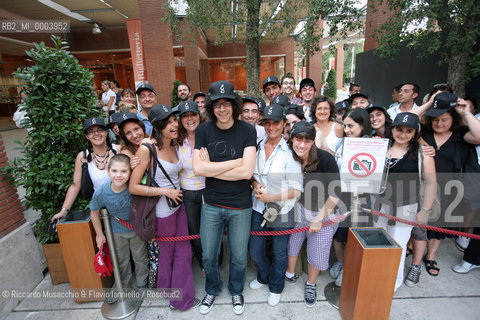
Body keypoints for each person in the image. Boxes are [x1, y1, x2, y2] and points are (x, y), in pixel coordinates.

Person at [193, 81, 256, 315]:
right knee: (209, 255)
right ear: (211, 107)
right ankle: (212, 288)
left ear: (234, 105)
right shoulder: (203, 130)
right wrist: (235, 162)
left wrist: (212, 166)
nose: (222, 108)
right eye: (217, 104)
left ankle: (236, 289)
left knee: (239, 257)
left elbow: (246, 173)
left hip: (240, 205)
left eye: (226, 103)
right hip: (211, 204)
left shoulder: (247, 130)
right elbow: (198, 170)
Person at [406, 92, 480, 286]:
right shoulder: (425, 134)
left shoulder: (461, 135)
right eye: (436, 120)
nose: (439, 124)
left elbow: (479, 135)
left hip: (450, 187)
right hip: (422, 185)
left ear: (452, 119)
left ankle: (430, 256)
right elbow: (410, 119)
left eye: (444, 120)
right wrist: (430, 103)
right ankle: (413, 249)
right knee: (418, 222)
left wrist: (466, 113)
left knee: (439, 225)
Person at [129, 104, 197, 311]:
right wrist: (164, 192)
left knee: (183, 253)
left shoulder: (175, 145)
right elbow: (133, 187)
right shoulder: (146, 149)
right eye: (168, 123)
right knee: (168, 254)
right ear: (158, 127)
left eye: (174, 120)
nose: (174, 124)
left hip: (179, 206)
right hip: (161, 212)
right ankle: (178, 298)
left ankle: (170, 291)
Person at [373, 112, 437, 291]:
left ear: (415, 132)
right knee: (377, 242)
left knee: (398, 245)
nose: (402, 134)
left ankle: (391, 284)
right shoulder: (381, 147)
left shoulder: (423, 153)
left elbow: (432, 183)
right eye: (399, 129)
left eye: (409, 131)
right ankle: (376, 275)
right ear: (392, 128)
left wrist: (425, 210)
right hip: (380, 204)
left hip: (406, 206)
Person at [248, 104, 303, 307]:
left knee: (280, 252)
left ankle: (276, 286)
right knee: (255, 250)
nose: (271, 127)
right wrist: (254, 184)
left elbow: (297, 190)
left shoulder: (290, 152)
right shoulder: (257, 146)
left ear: (284, 124)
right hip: (257, 208)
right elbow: (251, 175)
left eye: (276, 123)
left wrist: (272, 196)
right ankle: (264, 275)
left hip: (283, 210)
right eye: (267, 123)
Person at [285, 121, 340, 308]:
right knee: (293, 242)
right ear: (291, 139)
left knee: (317, 250)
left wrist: (319, 218)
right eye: (298, 139)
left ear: (313, 142)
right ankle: (290, 273)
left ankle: (311, 284)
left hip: (323, 211)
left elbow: (335, 193)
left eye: (307, 140)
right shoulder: (289, 156)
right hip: (299, 207)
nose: (302, 144)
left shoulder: (325, 159)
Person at [90, 154, 149, 288]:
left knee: (140, 258)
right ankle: (124, 285)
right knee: (121, 260)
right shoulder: (101, 192)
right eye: (114, 171)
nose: (119, 175)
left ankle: (142, 283)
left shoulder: (134, 186)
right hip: (115, 232)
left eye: (124, 171)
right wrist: (99, 234)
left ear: (130, 172)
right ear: (108, 171)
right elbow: (94, 212)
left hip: (136, 230)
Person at [331, 108, 373, 286]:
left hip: (360, 198)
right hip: (340, 195)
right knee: (338, 234)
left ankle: (349, 268)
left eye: (351, 126)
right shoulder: (342, 143)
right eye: (345, 126)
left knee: (354, 236)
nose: (347, 130)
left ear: (362, 126)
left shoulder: (372, 145)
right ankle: (340, 262)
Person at [51, 118, 116, 222]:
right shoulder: (83, 157)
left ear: (106, 133)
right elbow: (76, 185)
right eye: (91, 131)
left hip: (124, 204)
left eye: (100, 130)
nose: (96, 134)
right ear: (87, 136)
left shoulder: (119, 150)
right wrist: (64, 210)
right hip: (102, 210)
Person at [175, 101, 206, 278]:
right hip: (187, 192)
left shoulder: (208, 135)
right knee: (195, 231)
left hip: (209, 190)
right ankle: (203, 264)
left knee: (213, 230)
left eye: (192, 115)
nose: (189, 119)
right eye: (185, 116)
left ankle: (216, 261)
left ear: (199, 116)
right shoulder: (176, 141)